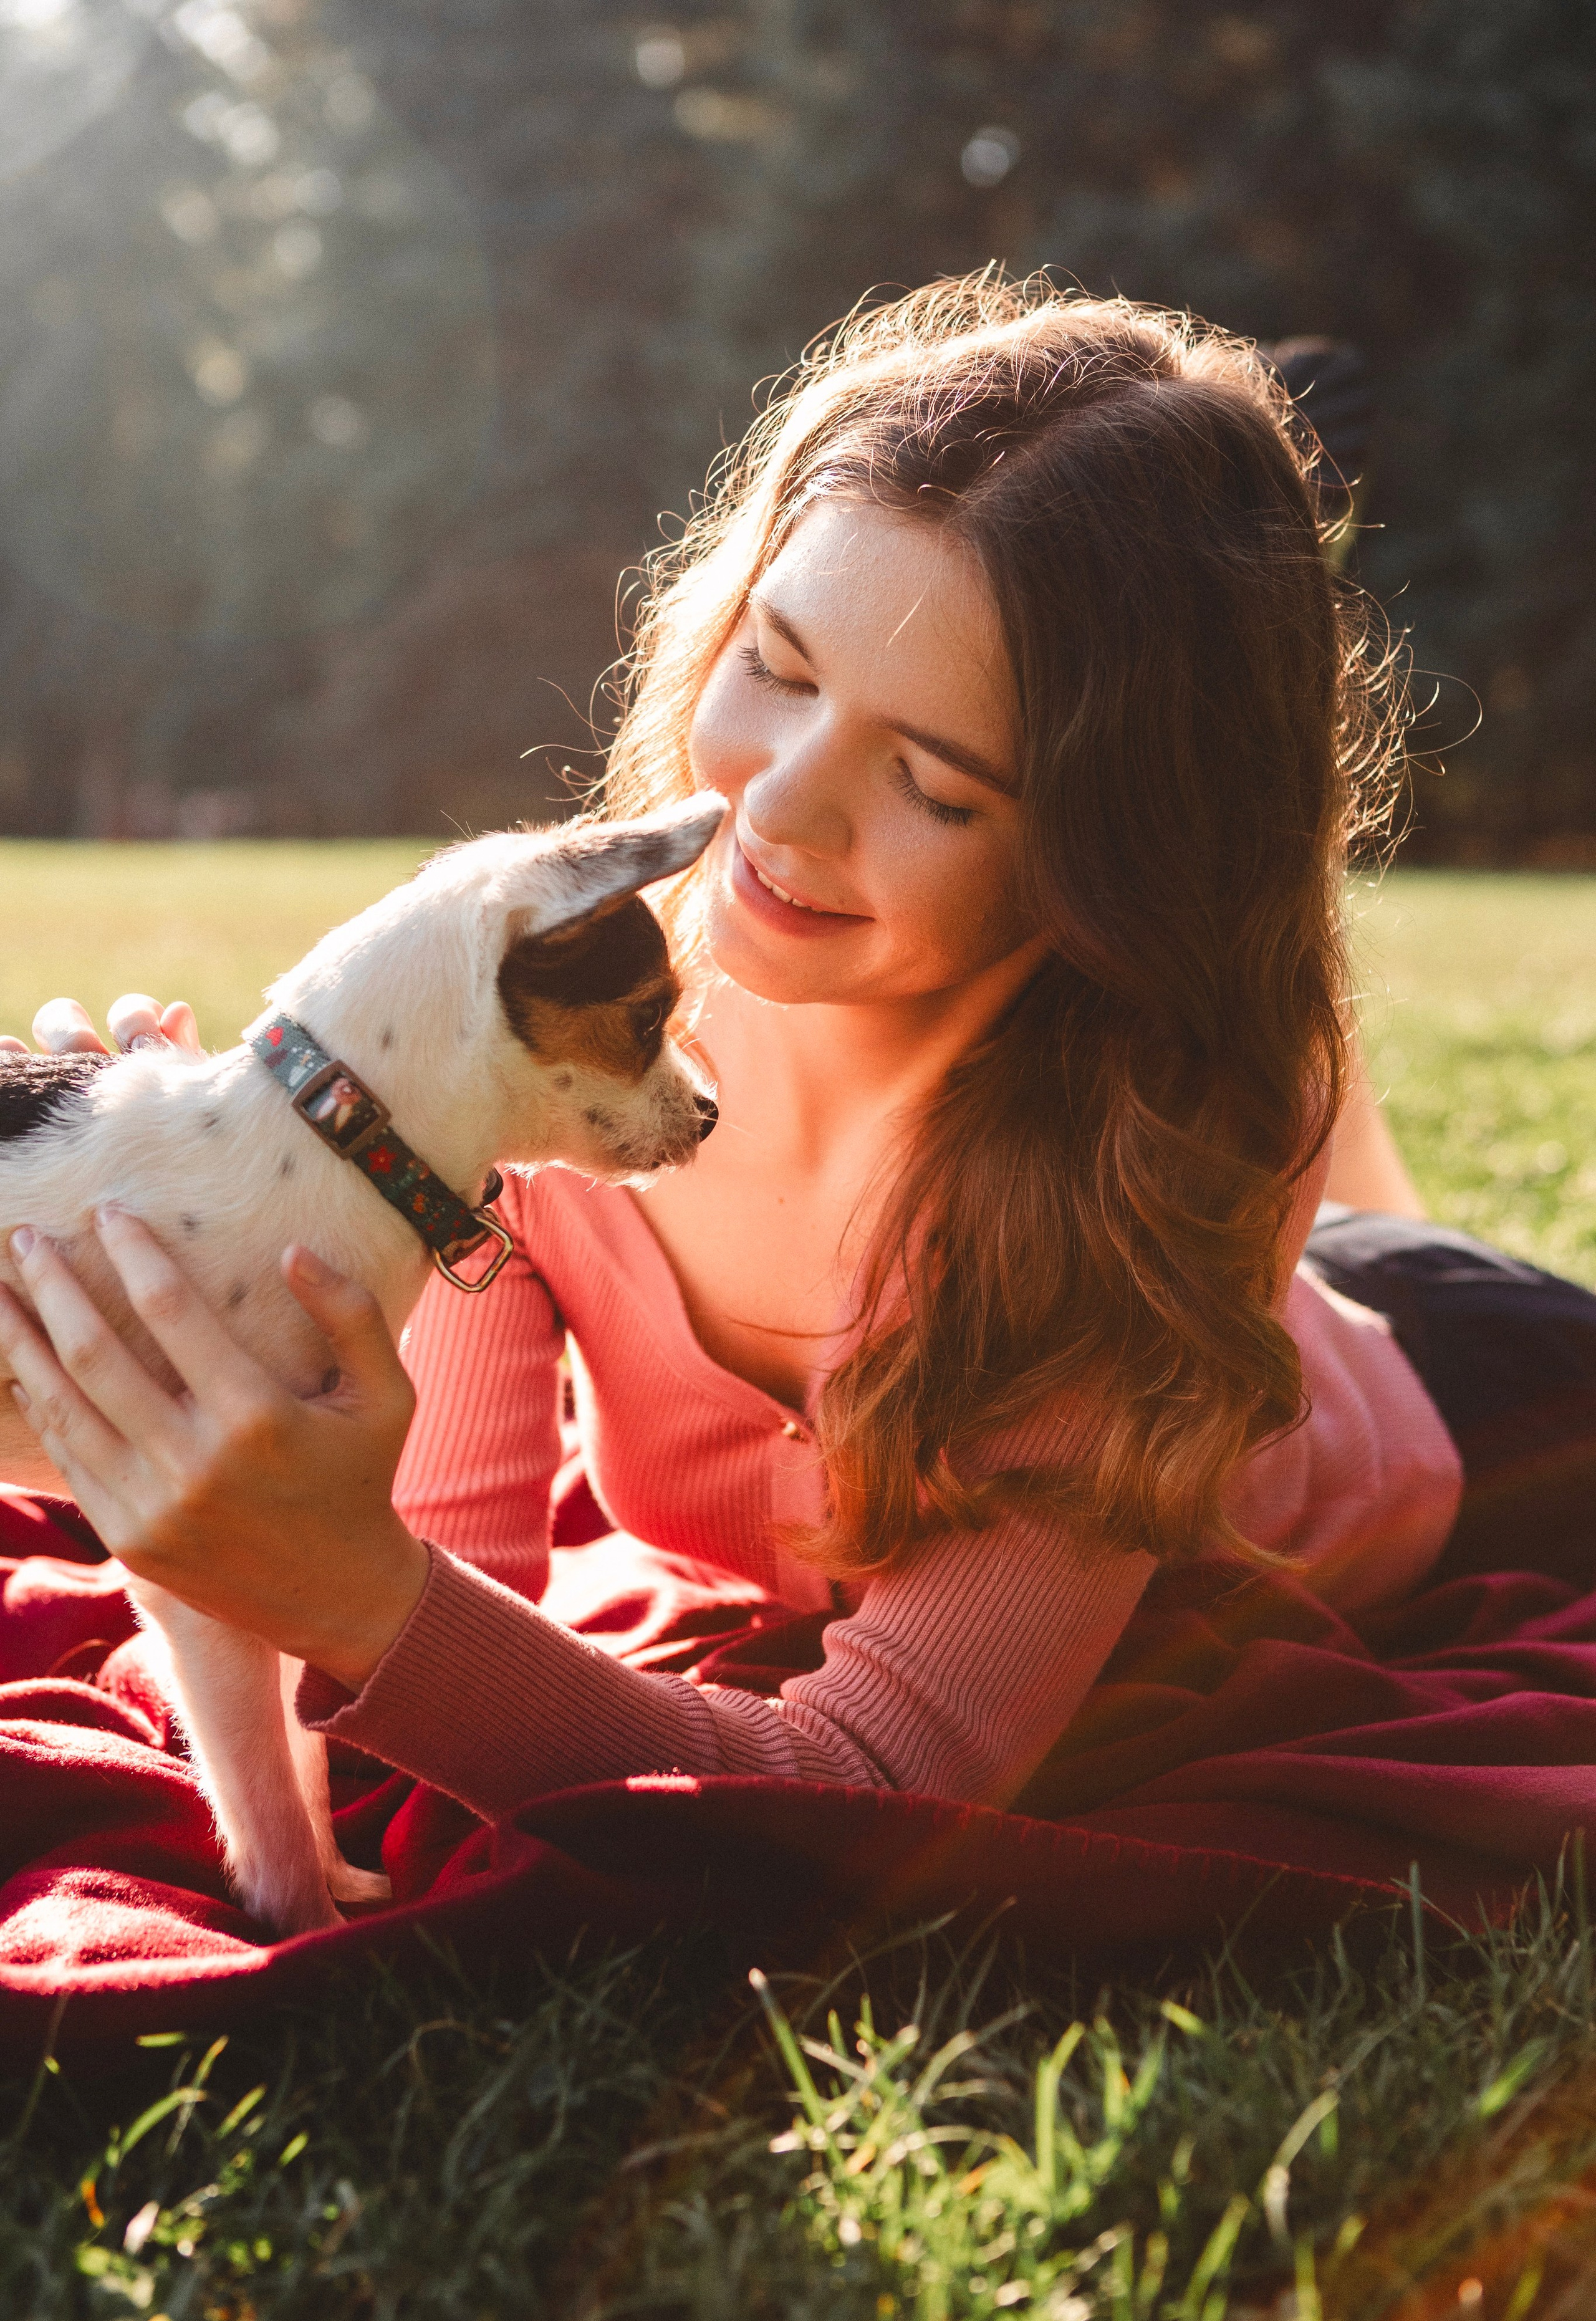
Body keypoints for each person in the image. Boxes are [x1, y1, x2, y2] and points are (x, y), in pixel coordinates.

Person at [1, 277, 1590, 1828]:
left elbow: (877, 1789)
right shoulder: (536, 1044)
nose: (774, 810)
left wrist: (355, 1593)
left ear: (1116, 855)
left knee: (1366, 1243)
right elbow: (437, 1607)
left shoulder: (1140, 1182)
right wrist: (223, 1227)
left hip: (1476, 1399)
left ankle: (1324, 1192)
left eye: (938, 787)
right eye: (777, 664)